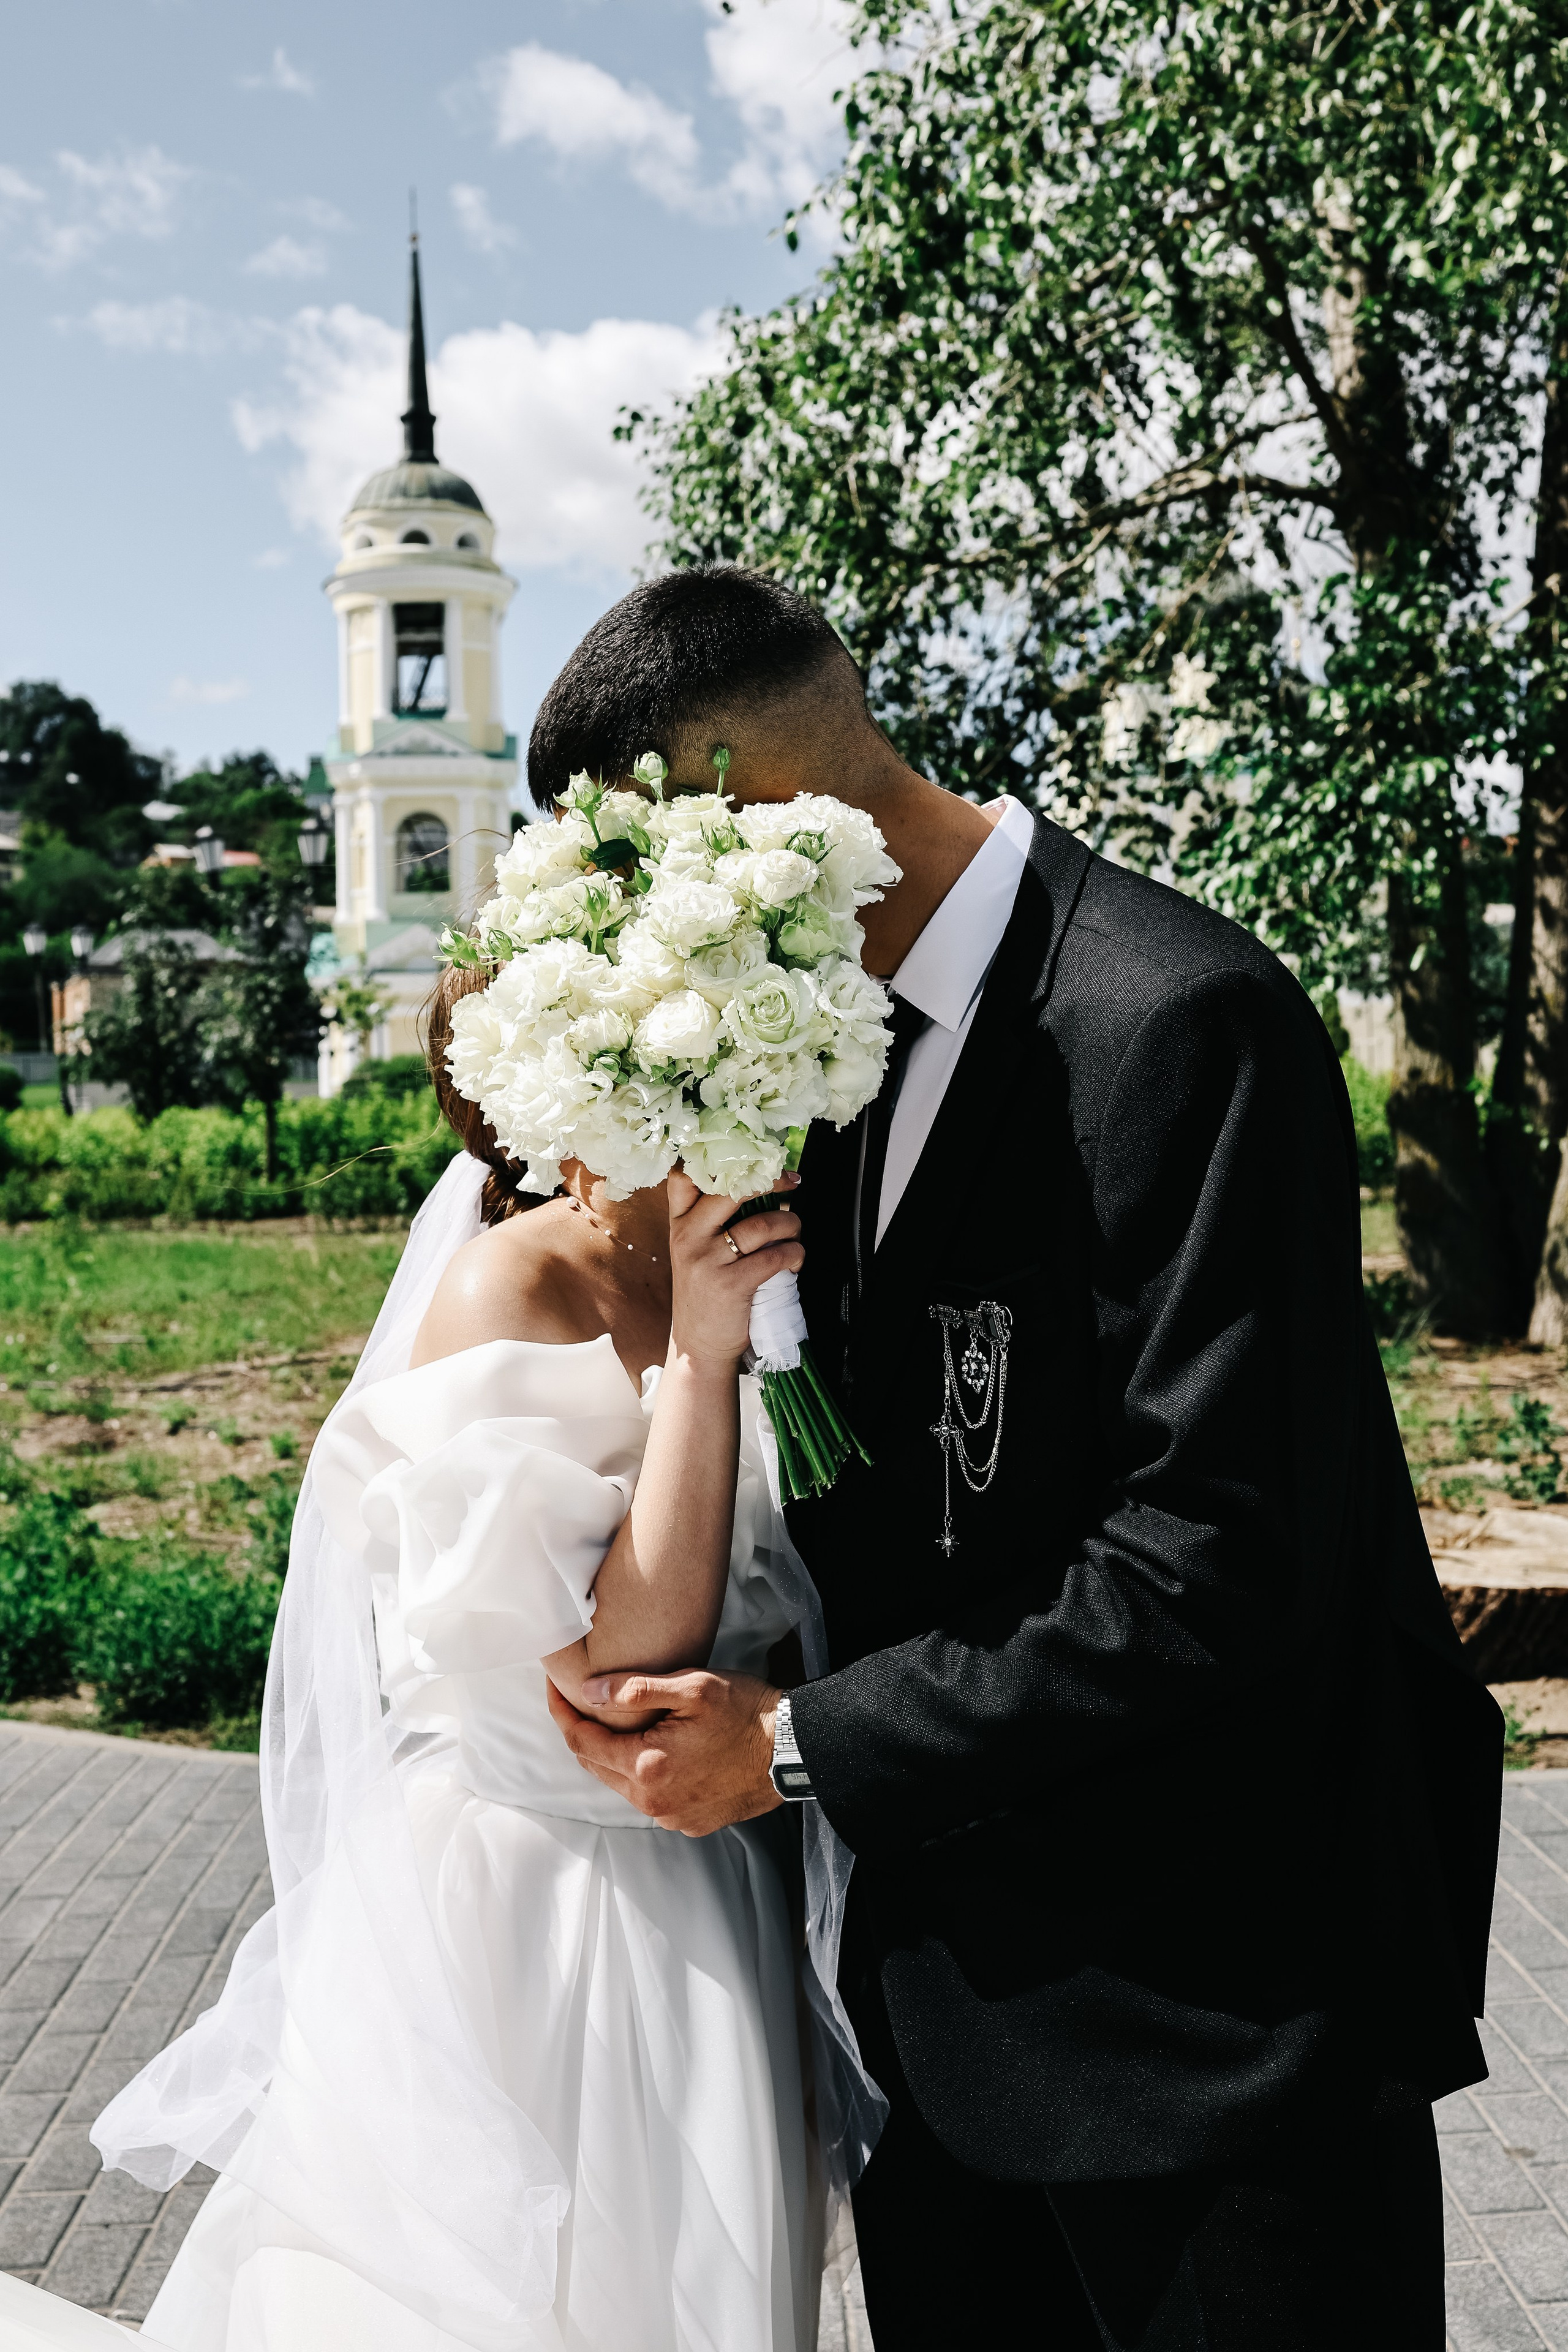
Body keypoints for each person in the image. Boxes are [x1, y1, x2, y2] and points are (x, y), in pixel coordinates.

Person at [542, 567, 1505, 2351]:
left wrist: (803, 1746)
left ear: (750, 821)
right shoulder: (817, 1066)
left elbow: (1217, 1554)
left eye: (639, 904)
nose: (641, 967)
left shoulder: (1177, 1018)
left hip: (1215, 2028)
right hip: (947, 2040)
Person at [90, 976, 852, 2352]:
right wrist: (697, 1353)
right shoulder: (512, 1284)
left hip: (715, 1865)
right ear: (551, 1120)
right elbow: (625, 1652)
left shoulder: (740, 1248)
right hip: (544, 1909)